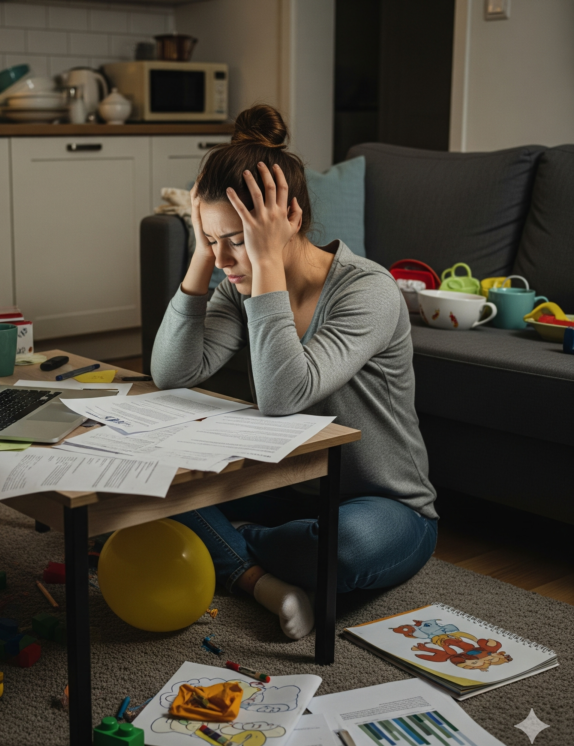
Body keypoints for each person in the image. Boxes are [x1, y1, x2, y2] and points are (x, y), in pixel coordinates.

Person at [150, 105, 438, 640]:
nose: (226, 258)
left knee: (343, 550)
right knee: (148, 486)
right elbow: (172, 372)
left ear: (293, 220)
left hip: (383, 505)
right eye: (214, 239)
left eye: (237, 238)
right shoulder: (236, 283)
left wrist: (264, 267)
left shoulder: (367, 290)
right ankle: (262, 579)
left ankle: (232, 541)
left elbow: (285, 393)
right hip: (284, 484)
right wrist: (200, 255)